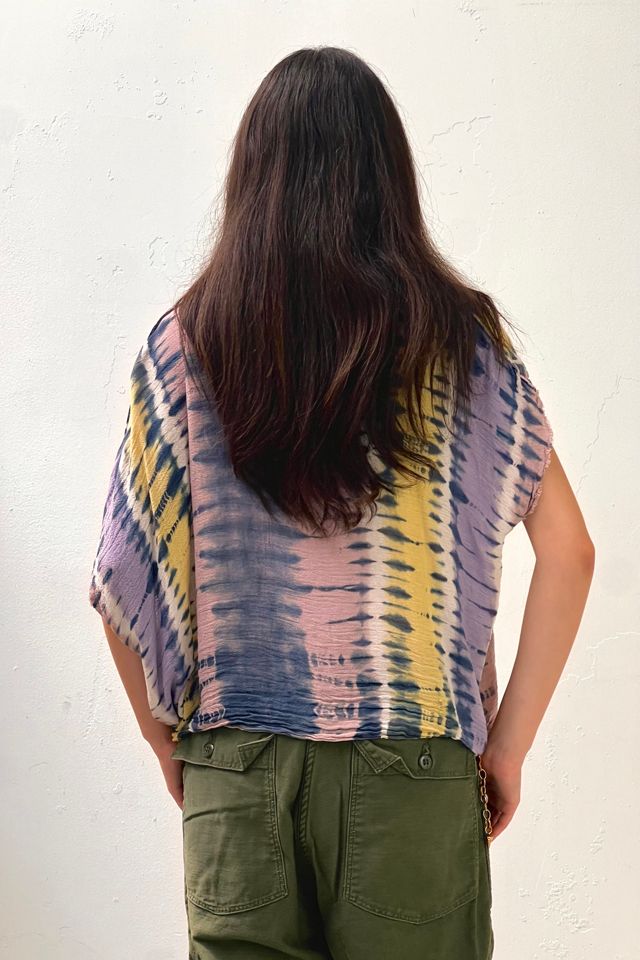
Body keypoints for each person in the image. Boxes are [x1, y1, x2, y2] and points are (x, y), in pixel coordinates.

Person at [88, 46, 595, 960]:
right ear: (388, 179)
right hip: (413, 762)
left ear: (253, 177)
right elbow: (570, 551)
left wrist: (170, 748)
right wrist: (507, 749)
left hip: (236, 764)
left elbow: (119, 575)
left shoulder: (185, 345)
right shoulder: (461, 348)